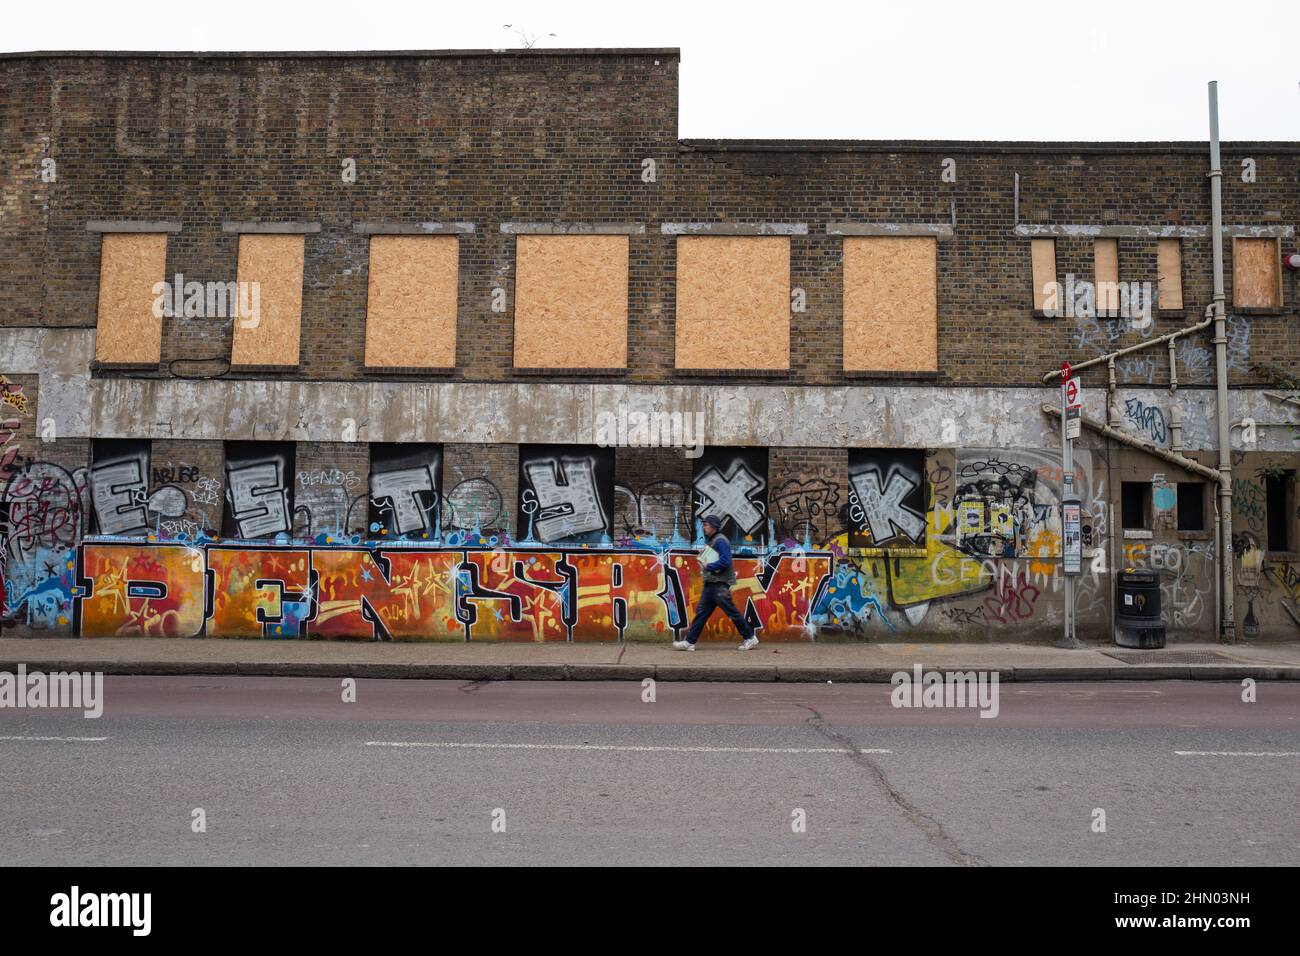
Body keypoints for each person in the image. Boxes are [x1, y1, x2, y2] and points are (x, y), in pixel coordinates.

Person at [673, 514, 760, 651]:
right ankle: (689, 642)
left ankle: (750, 637)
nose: (704, 527)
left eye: (706, 525)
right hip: (711, 584)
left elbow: (725, 561)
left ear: (713, 526)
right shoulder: (714, 540)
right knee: (701, 614)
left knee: (732, 612)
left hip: (719, 584)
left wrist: (709, 566)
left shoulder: (720, 540)